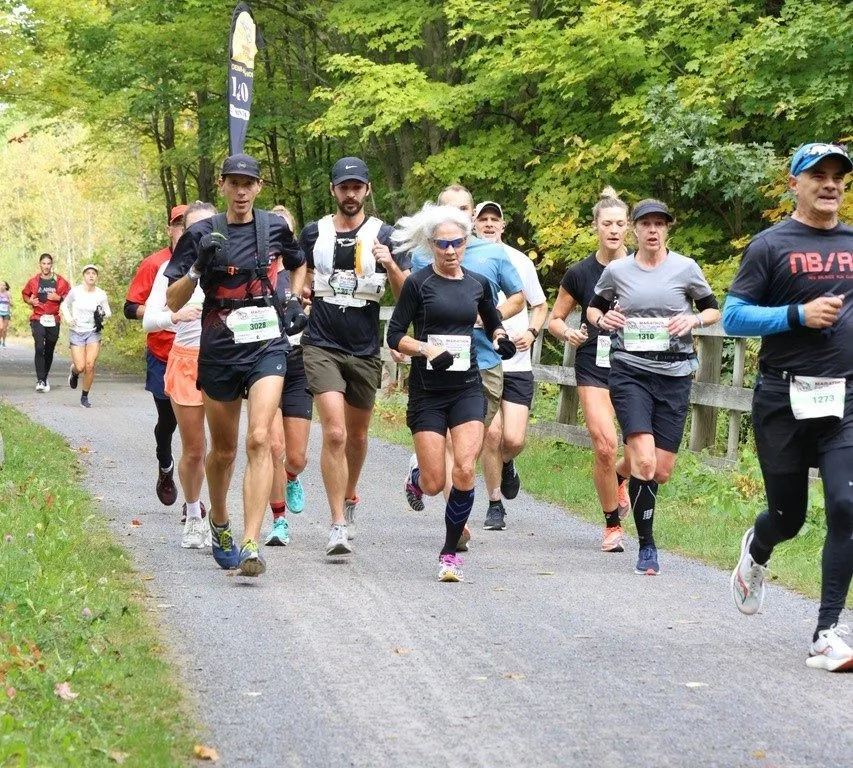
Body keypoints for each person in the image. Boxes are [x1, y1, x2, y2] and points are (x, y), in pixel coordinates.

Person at [724, 142, 853, 672]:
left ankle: (826, 632)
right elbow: (733, 317)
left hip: (846, 395)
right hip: (783, 395)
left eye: (838, 177)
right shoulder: (770, 246)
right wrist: (797, 315)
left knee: (847, 506)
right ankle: (759, 544)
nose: (830, 184)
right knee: (789, 517)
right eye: (817, 175)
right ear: (793, 183)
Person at [165, 153, 307, 577]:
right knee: (223, 450)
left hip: (267, 342)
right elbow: (173, 300)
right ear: (223, 185)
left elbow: (299, 264)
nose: (242, 191)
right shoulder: (200, 232)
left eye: (250, 183)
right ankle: (220, 521)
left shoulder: (274, 227)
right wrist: (195, 266)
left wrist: (296, 297)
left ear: (259, 187)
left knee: (261, 438)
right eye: (234, 183)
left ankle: (250, 542)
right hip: (220, 344)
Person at [586, 199, 720, 575]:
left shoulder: (686, 269)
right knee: (645, 459)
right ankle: (647, 546)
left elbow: (713, 309)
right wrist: (604, 317)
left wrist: (693, 320)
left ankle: (621, 474)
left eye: (660, 224)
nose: (653, 230)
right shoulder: (617, 270)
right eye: (646, 224)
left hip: (674, 375)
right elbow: (593, 309)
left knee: (660, 470)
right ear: (635, 230)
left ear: (667, 230)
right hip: (630, 372)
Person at [388, 204, 515, 581]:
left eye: (456, 243)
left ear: (466, 241)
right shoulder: (418, 283)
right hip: (428, 392)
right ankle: (416, 479)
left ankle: (449, 553)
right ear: (431, 245)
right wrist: (426, 349)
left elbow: (493, 323)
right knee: (434, 482)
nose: (449, 250)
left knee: (463, 468)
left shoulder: (477, 283)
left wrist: (501, 339)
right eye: (442, 244)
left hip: (466, 389)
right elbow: (394, 335)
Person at [299, 157, 410, 556]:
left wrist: (390, 262)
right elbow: (300, 275)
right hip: (321, 343)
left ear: (367, 191)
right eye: (343, 187)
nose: (350, 194)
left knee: (358, 436)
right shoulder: (314, 231)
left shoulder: (387, 234)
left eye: (357, 187)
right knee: (335, 432)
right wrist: (301, 293)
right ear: (333, 190)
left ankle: (349, 495)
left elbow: (406, 293)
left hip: (364, 347)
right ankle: (337, 525)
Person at [407, 185, 525, 537]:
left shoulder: (492, 254)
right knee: (444, 450)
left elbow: (518, 298)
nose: (454, 218)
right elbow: (410, 306)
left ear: (472, 216)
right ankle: (453, 522)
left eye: (461, 210)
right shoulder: (420, 258)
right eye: (446, 210)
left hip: (482, 362)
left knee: (472, 449)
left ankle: (443, 503)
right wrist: (412, 344)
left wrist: (491, 322)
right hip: (435, 367)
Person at [547, 188, 632, 553]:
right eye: (606, 223)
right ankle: (612, 524)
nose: (613, 230)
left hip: (637, 366)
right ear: (595, 227)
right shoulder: (581, 272)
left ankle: (621, 476)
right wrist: (568, 332)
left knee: (650, 450)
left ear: (628, 227)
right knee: (604, 444)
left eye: (619, 224)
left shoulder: (645, 266)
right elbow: (554, 319)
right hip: (594, 365)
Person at [143, 201, 217, 548]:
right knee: (194, 449)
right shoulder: (171, 269)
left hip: (224, 359)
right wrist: (175, 317)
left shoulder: (234, 261)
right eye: (194, 229)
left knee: (226, 449)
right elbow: (149, 318)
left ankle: (219, 516)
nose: (203, 235)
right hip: (186, 360)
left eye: (209, 226)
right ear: (185, 233)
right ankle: (192, 513)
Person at [474, 200, 549, 521]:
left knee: (514, 439)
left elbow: (540, 304)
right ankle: (494, 504)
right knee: (491, 433)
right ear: (473, 225)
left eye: (495, 219)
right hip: (483, 361)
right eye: (483, 219)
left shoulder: (519, 261)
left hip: (517, 360)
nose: (489, 224)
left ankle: (507, 463)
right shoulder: (468, 260)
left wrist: (532, 333)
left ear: (503, 226)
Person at [125, 205, 188, 507]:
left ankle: (195, 500)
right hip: (162, 353)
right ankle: (165, 465)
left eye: (188, 225)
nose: (183, 230)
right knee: (168, 421)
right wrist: (161, 314)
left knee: (195, 426)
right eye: (178, 225)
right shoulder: (154, 264)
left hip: (197, 353)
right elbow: (129, 308)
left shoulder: (207, 262)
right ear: (169, 229)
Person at [266, 204, 313, 547]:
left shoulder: (302, 272)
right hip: (265, 364)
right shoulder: (256, 267)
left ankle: (292, 476)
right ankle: (278, 520)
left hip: (297, 364)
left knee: (294, 456)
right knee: (273, 447)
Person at [62, 265, 112, 408]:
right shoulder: (76, 291)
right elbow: (65, 305)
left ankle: (84, 396)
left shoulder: (101, 294)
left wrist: (102, 313)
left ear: (97, 277)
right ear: (83, 276)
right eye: (88, 273)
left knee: (90, 365)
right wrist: (69, 319)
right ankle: (74, 371)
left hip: (93, 332)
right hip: (77, 331)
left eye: (94, 273)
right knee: (81, 366)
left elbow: (108, 312)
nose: (91, 276)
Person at [21, 253, 71, 392]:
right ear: (40, 264)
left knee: (49, 349)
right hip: (38, 317)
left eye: (48, 263)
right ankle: (40, 380)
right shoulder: (33, 281)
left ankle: (44, 377)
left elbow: (70, 294)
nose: (46, 266)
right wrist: (30, 301)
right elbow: (25, 294)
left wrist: (59, 298)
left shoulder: (59, 280)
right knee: (39, 347)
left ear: (51, 265)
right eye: (43, 263)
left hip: (53, 318)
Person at [0, 281, 12, 347]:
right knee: (1, 327)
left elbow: (12, 304)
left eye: (3, 285)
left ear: (6, 287)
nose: (2, 286)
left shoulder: (8, 293)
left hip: (7, 313)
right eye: (1, 285)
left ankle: (3, 342)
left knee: (4, 329)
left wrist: (9, 301)